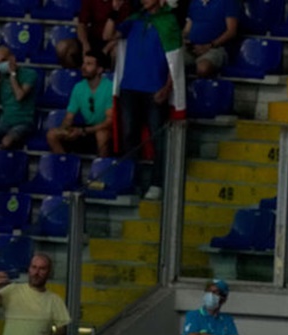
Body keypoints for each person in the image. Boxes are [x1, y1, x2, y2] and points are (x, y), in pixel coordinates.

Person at [110, 0, 187, 200]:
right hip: (129, 88)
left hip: (154, 89)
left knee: (158, 138)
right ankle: (130, 181)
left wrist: (167, 87)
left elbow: (175, 58)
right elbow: (108, 36)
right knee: (129, 137)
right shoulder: (134, 19)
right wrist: (114, 12)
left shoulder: (169, 22)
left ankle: (157, 182)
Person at [47, 52, 113, 155]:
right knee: (52, 134)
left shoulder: (109, 87)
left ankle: (100, 168)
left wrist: (84, 131)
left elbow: (109, 121)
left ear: (100, 69)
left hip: (102, 129)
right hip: (85, 129)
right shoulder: (78, 87)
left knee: (102, 135)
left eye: (89, 64)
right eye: (83, 63)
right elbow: (69, 117)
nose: (83, 67)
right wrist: (66, 130)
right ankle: (65, 164)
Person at [0, 45, 40, 150]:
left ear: (12, 58)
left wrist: (12, 75)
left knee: (8, 140)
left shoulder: (30, 74)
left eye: (3, 60)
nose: (1, 64)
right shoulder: (1, 79)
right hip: (5, 122)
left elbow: (19, 96)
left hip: (24, 122)